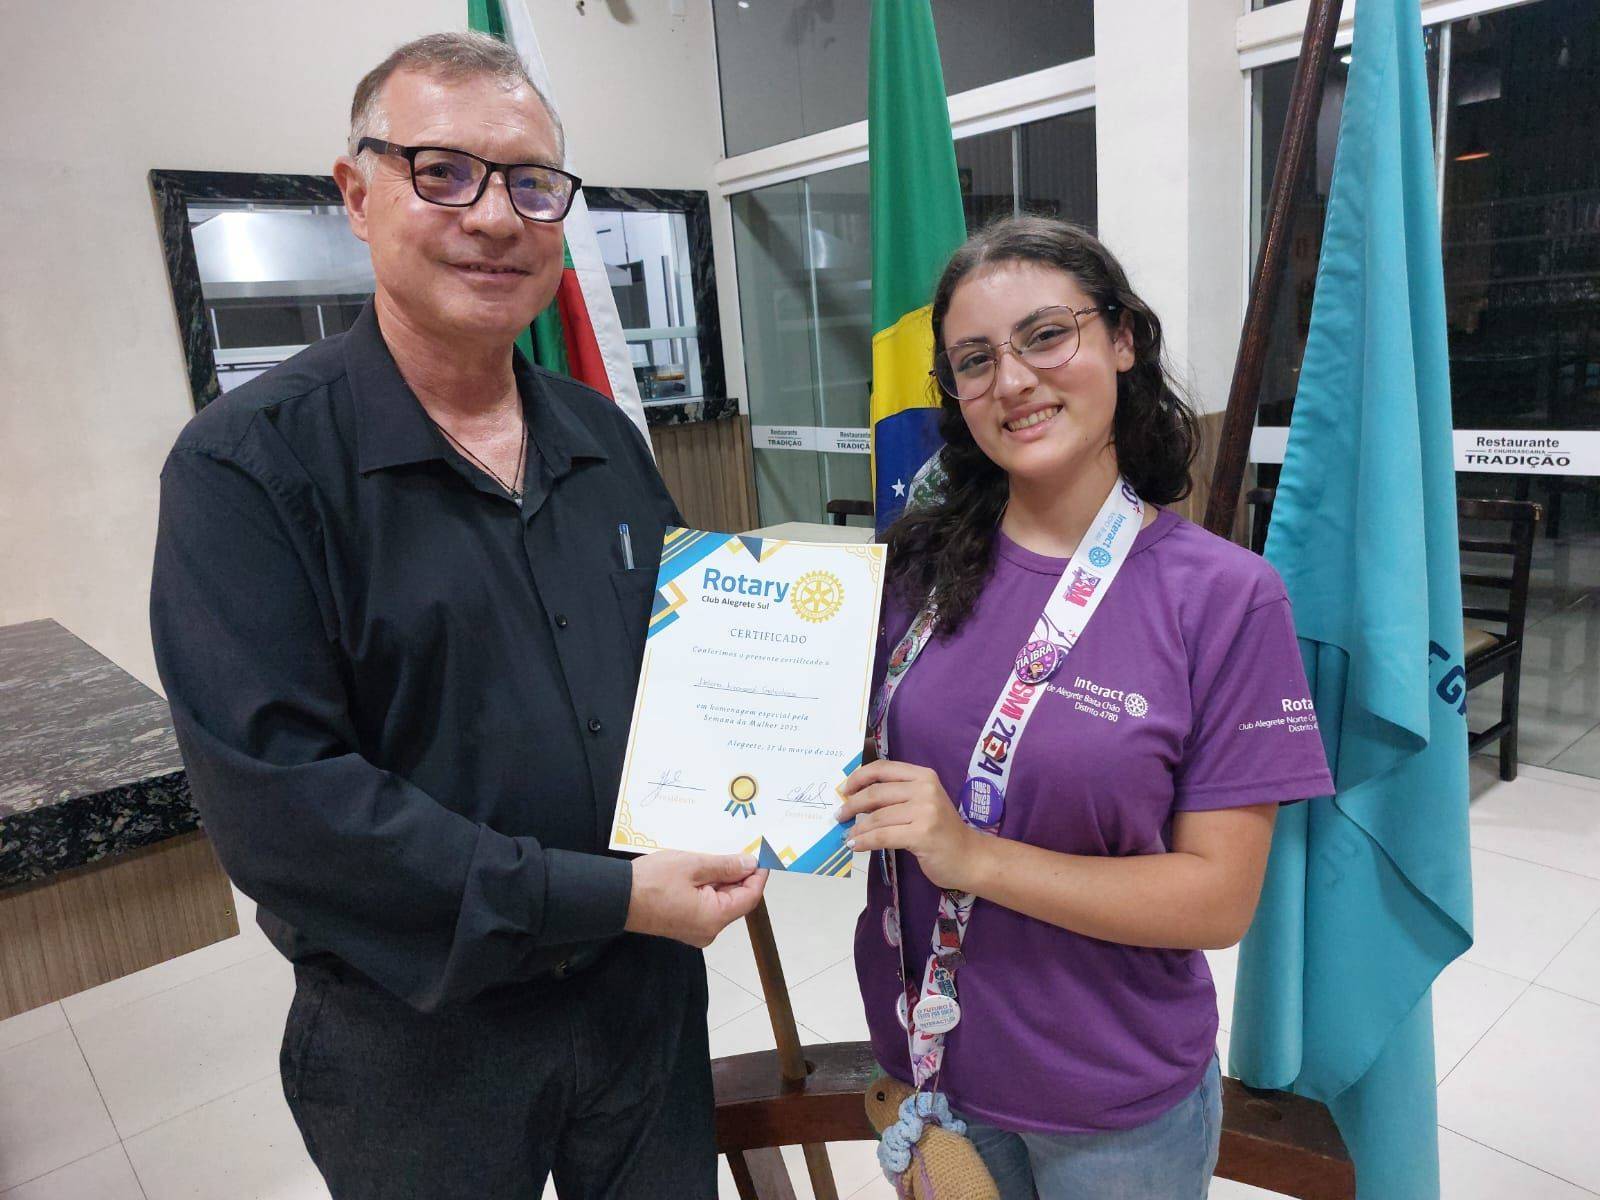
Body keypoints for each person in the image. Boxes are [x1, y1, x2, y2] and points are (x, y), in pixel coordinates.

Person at [150, 32, 765, 1200]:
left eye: (531, 183)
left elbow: (686, 673)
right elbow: (287, 814)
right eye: (443, 172)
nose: (494, 218)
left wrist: (780, 766)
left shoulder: (603, 438)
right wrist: (605, 896)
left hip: (640, 993)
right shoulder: (248, 469)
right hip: (421, 1034)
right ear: (357, 195)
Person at [840, 216, 1334, 1199]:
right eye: (974, 359)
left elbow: (1218, 902)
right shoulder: (911, 570)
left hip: (1112, 1106)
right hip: (930, 1072)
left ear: (1123, 339)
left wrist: (976, 857)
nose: (1012, 380)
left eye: (1045, 336)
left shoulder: (1223, 597)